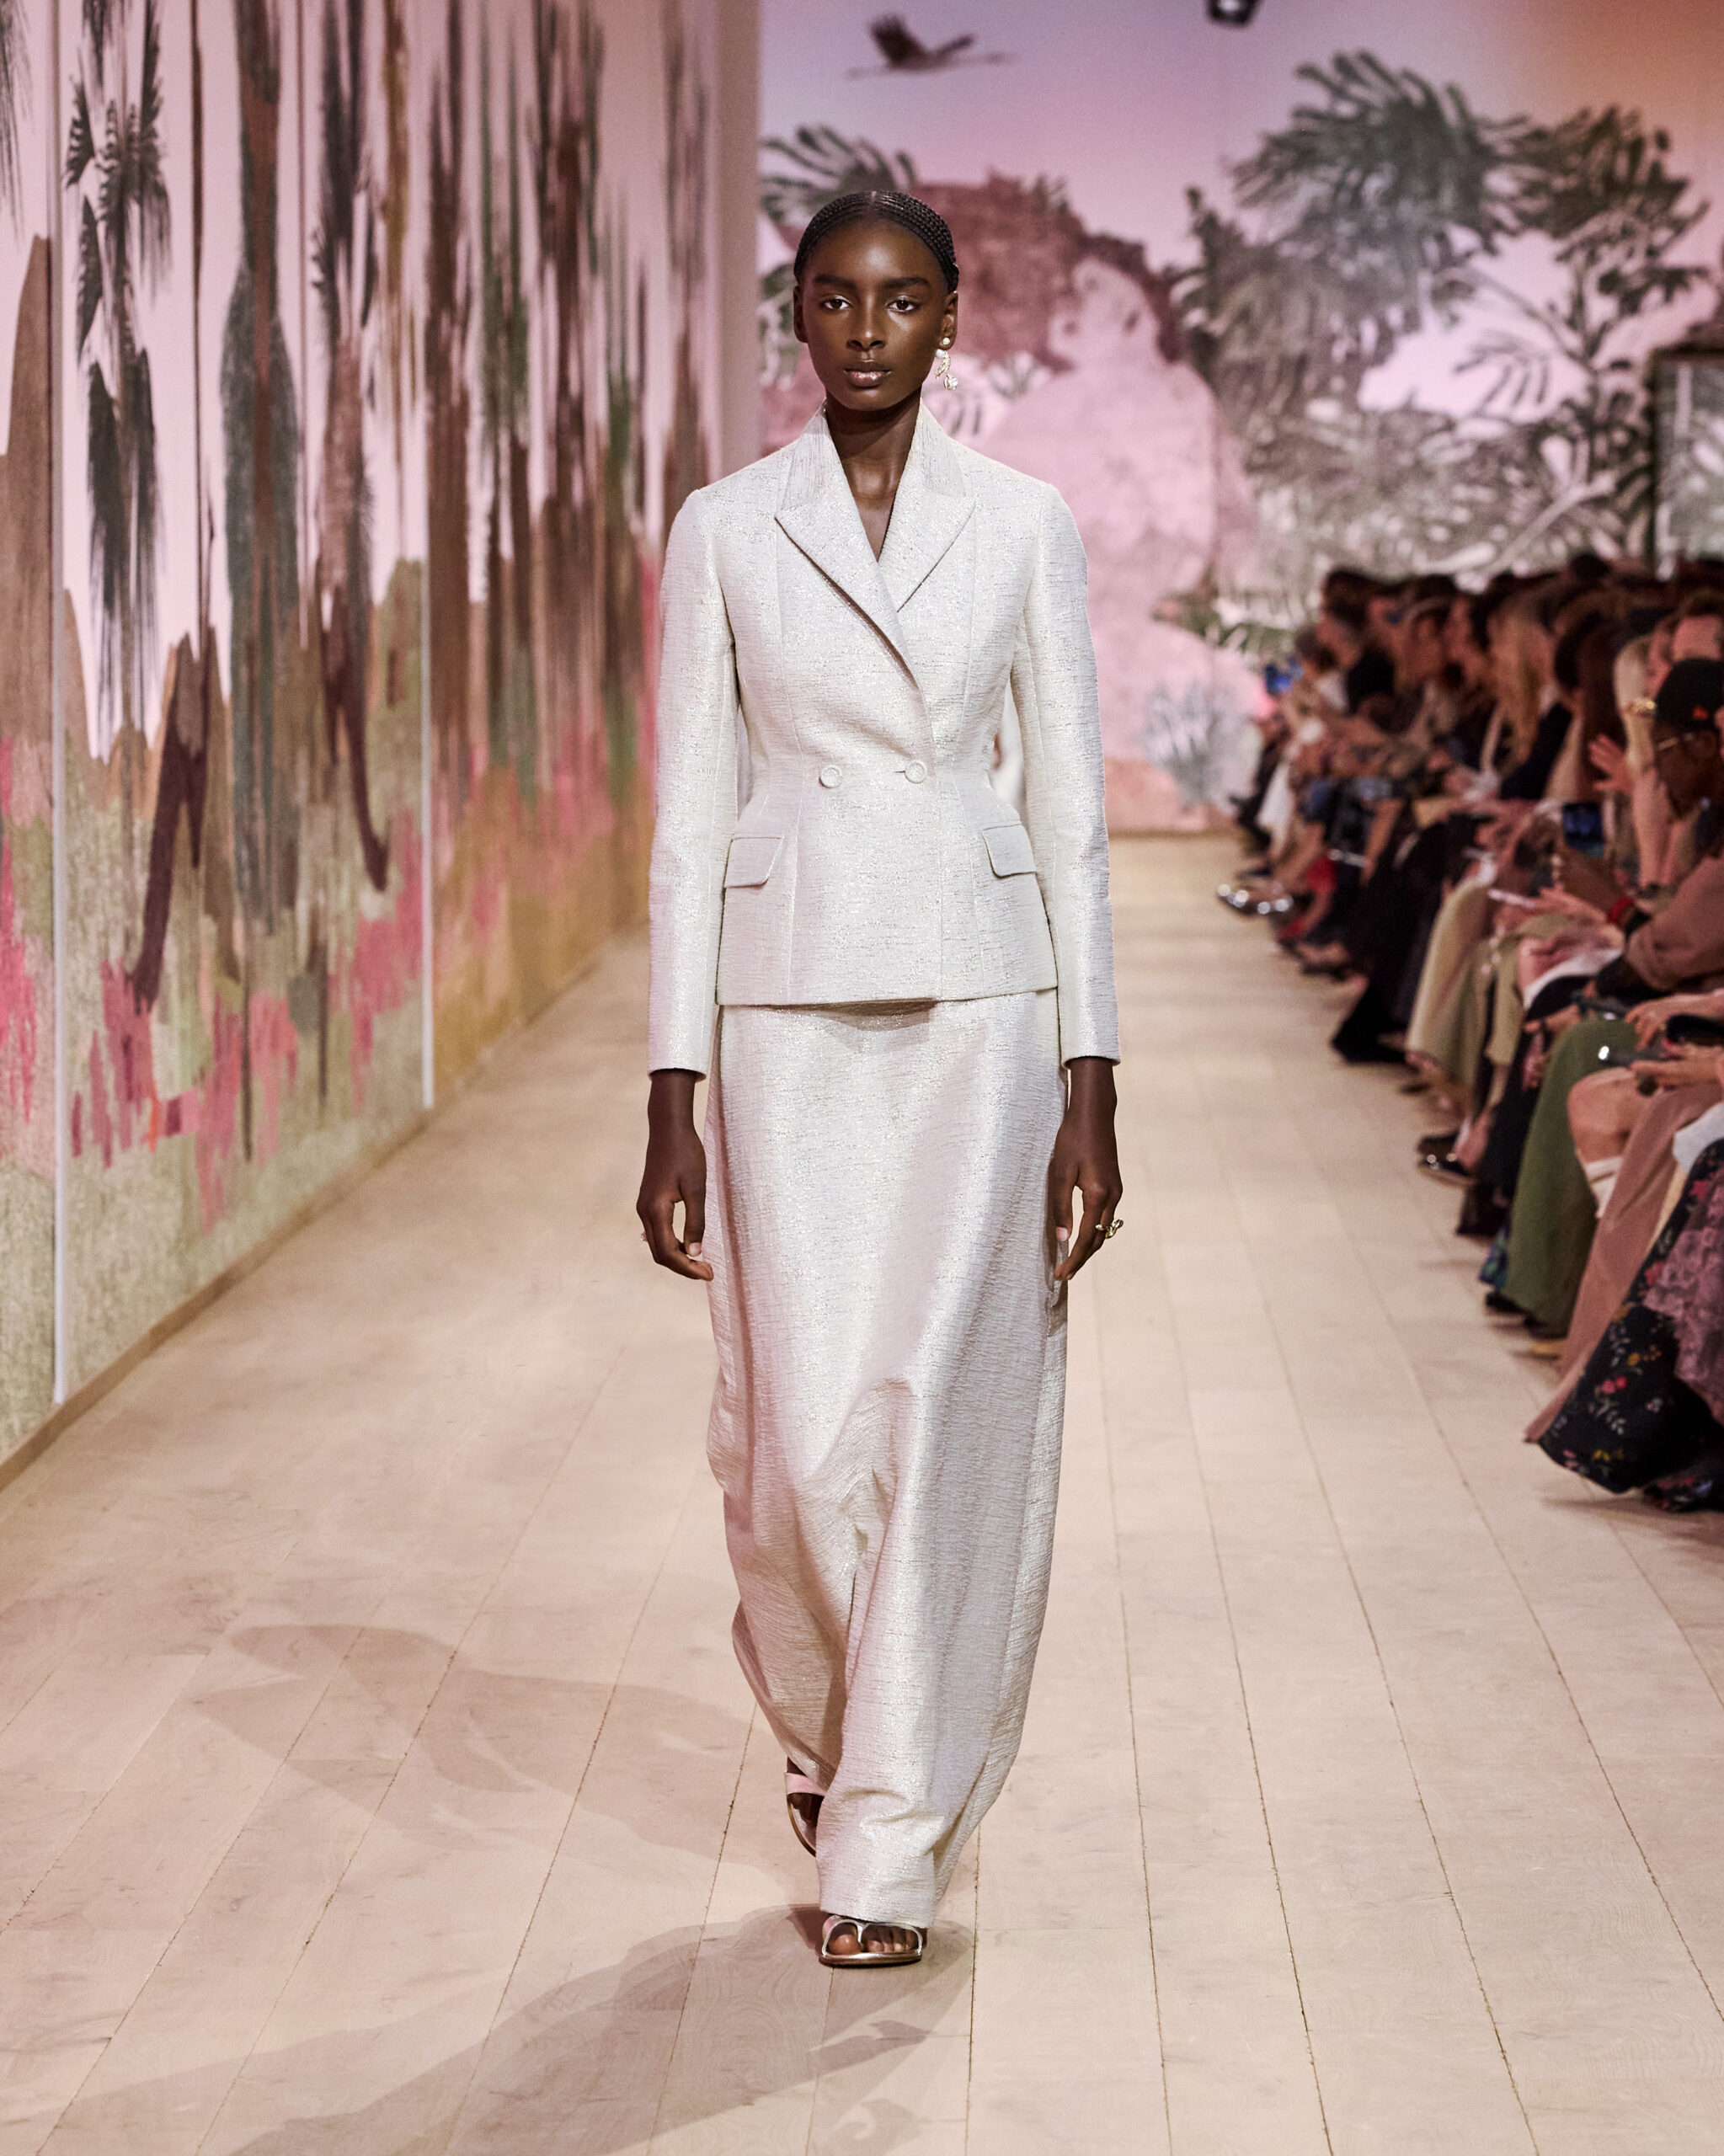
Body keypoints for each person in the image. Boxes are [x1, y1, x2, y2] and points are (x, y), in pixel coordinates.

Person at [637, 190, 1122, 1971]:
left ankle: (891, 1828)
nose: (866, 330)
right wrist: (670, 1086)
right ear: (797, 316)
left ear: (948, 320)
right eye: (836, 298)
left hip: (982, 1004)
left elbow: (1067, 804)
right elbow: (690, 819)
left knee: (938, 1412)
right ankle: (837, 1734)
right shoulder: (723, 525)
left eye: (902, 300)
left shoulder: (1025, 521)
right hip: (782, 1004)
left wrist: (1094, 1074)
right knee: (790, 1439)